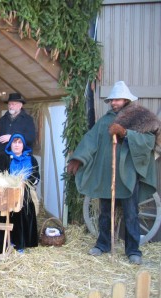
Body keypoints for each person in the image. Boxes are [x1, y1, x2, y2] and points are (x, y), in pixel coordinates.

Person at [66, 81, 157, 265]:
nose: (113, 103)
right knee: (105, 212)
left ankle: (133, 250)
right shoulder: (105, 120)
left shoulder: (138, 118)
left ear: (126, 100)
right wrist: (78, 157)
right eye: (112, 100)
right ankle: (103, 244)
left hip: (129, 175)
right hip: (108, 175)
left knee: (131, 213)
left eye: (117, 99)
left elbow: (148, 140)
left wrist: (125, 133)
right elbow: (90, 139)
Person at [0, 133, 40, 253]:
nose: (17, 145)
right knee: (0, 209)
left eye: (19, 142)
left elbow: (35, 177)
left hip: (23, 192)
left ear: (23, 145)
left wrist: (23, 183)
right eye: (14, 142)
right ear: (10, 144)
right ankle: (2, 241)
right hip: (4, 192)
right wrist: (9, 183)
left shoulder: (31, 159)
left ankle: (19, 243)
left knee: (23, 207)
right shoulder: (3, 156)